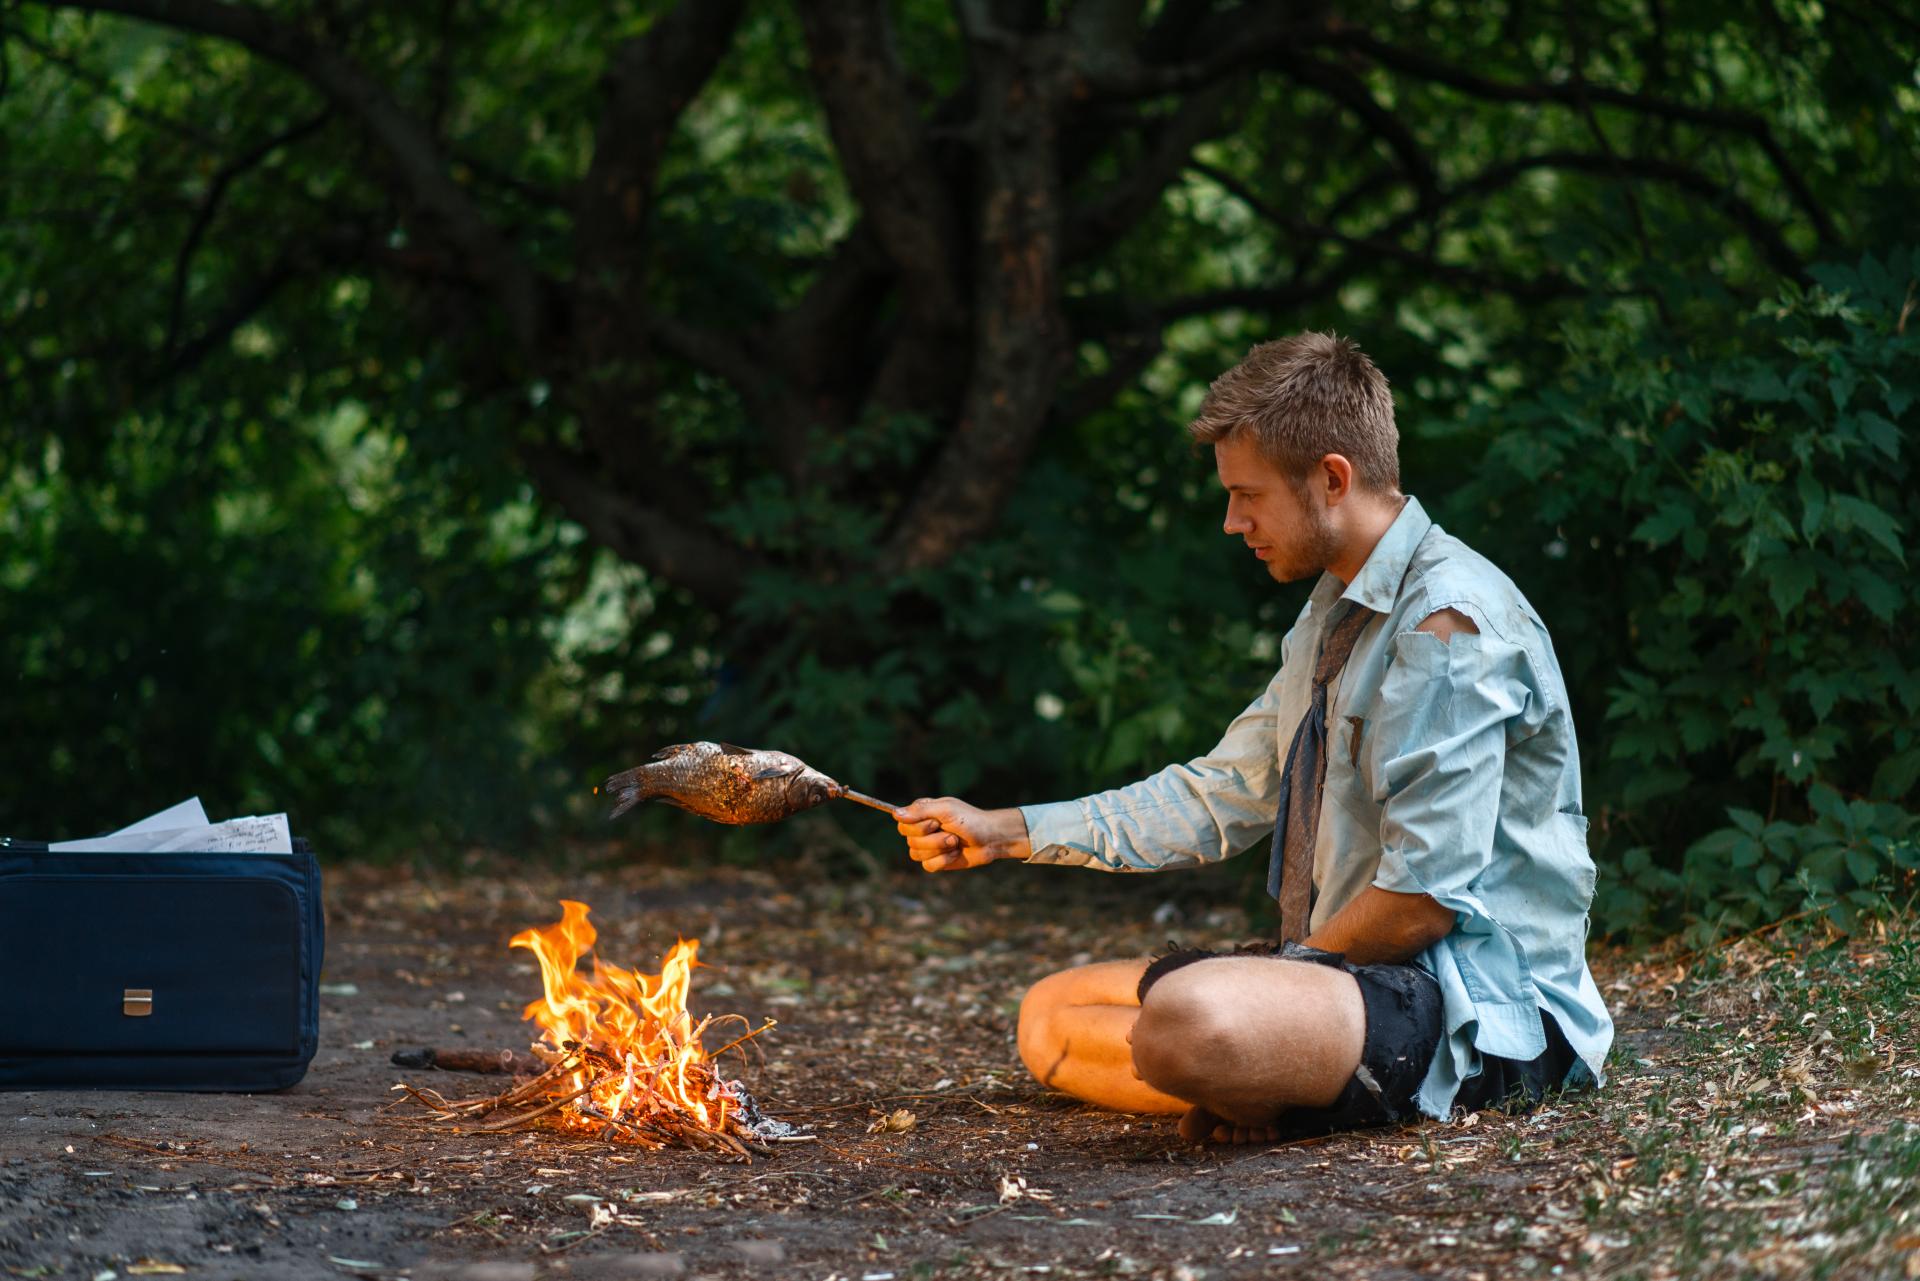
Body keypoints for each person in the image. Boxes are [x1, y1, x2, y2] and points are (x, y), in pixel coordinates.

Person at [894, 332, 1613, 1143]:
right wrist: (1011, 830)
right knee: (1048, 1014)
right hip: (1350, 978)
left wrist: (1278, 974)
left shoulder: (1446, 623)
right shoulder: (1335, 610)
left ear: (1332, 478)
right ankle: (1264, 1076)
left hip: (1479, 1013)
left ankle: (1258, 1064)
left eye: (1248, 495)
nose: (1233, 522)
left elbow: (1420, 903)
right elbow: (1220, 792)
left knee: (1190, 1018)